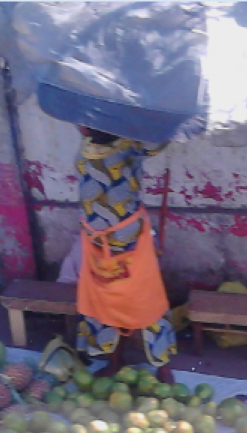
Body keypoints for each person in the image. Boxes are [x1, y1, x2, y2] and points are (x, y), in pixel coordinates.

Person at [73, 126, 177, 383]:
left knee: (144, 298)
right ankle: (114, 360)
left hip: (127, 240)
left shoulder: (132, 144)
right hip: (95, 241)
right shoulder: (87, 141)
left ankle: (162, 365)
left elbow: (160, 138)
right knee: (103, 299)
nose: (82, 126)